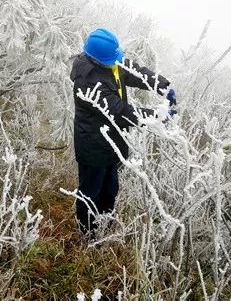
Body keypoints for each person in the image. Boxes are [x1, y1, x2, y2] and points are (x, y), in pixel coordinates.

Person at [70, 28, 176, 236]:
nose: (117, 61)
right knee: (90, 193)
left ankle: (104, 228)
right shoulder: (88, 82)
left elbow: (136, 72)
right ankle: (87, 236)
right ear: (97, 60)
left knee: (110, 190)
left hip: (113, 143)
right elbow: (121, 112)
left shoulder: (110, 62)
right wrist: (159, 116)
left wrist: (163, 86)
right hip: (93, 147)